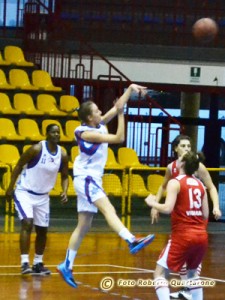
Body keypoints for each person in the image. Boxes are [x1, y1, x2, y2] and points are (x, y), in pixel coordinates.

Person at [57, 83, 155, 288]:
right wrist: (121, 115)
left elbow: (117, 105)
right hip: (87, 179)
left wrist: (130, 89)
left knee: (84, 225)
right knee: (108, 208)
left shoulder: (97, 124)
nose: (101, 112)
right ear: (89, 118)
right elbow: (120, 138)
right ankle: (131, 240)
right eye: (97, 111)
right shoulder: (85, 132)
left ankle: (67, 264)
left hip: (90, 178)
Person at [151, 134, 221, 300]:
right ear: (176, 148)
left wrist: (216, 206)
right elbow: (162, 186)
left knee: (170, 269)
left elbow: (211, 187)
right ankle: (188, 291)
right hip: (186, 220)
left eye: (189, 147)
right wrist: (157, 202)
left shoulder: (197, 168)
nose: (187, 149)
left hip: (190, 222)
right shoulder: (171, 168)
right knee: (188, 265)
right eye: (183, 146)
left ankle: (187, 291)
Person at [6, 124, 69, 275]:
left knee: (42, 231)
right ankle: (24, 263)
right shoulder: (36, 149)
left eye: (58, 132)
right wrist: (10, 188)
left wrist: (65, 190)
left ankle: (38, 263)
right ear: (46, 134)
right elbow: (19, 165)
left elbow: (65, 176)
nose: (56, 135)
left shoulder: (63, 154)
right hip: (25, 192)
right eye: (53, 132)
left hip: (43, 197)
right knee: (27, 223)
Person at [145, 151, 209, 300]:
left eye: (180, 159)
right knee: (192, 274)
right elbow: (205, 214)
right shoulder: (200, 184)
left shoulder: (176, 182)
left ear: (183, 164)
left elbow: (167, 208)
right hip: (201, 236)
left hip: (183, 235)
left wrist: (152, 203)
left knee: (159, 273)